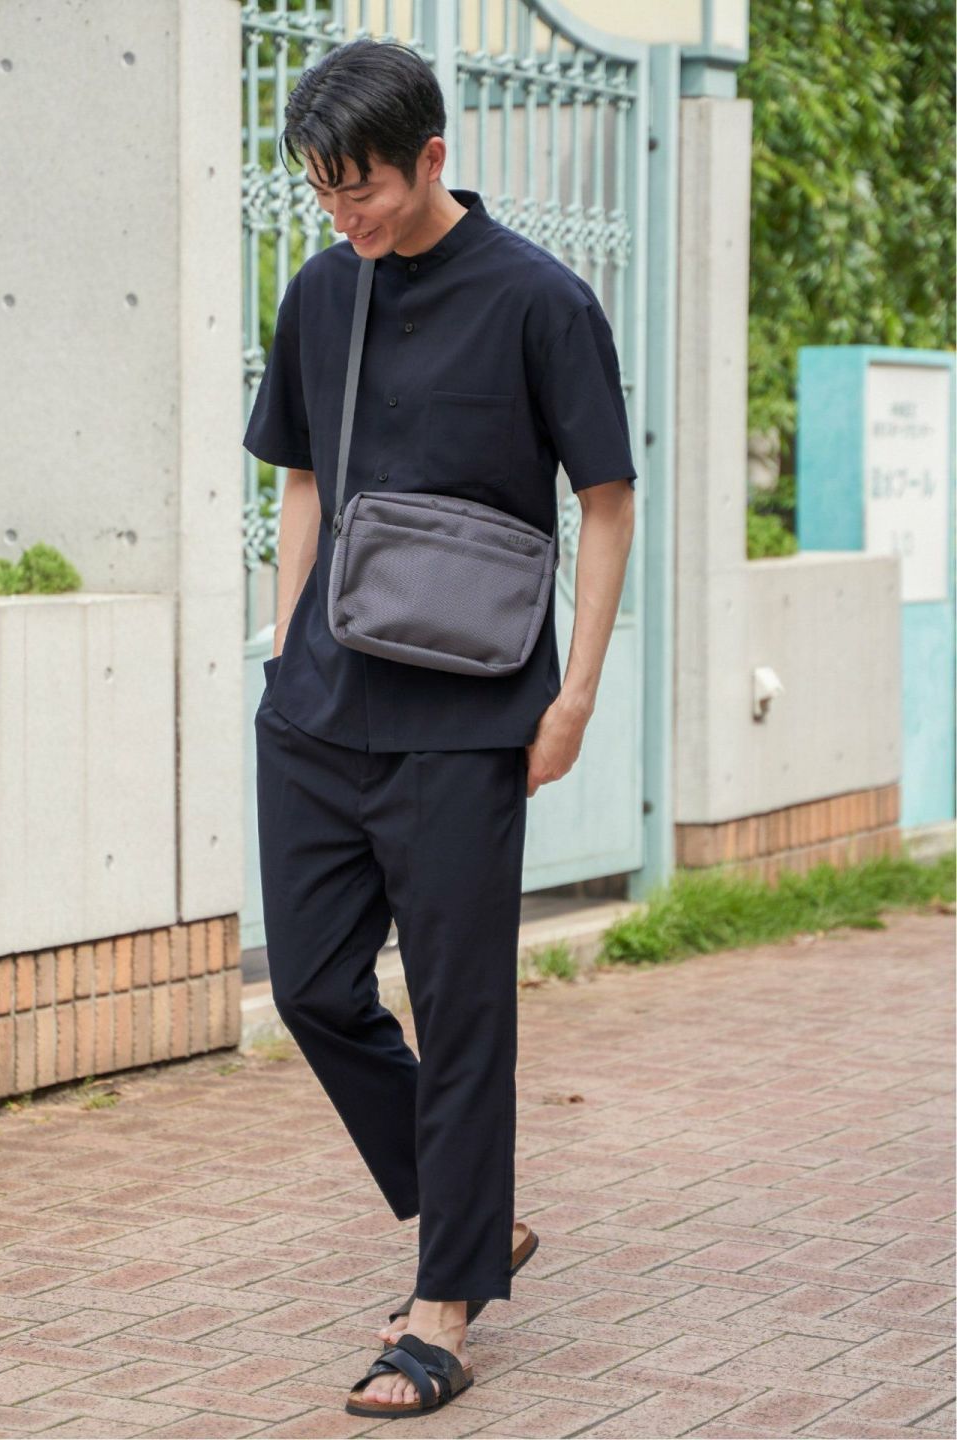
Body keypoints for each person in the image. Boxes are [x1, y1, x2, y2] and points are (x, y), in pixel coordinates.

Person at [243, 36, 637, 1418]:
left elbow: (604, 502)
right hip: (319, 706)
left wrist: (573, 694)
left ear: (432, 158)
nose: (343, 213)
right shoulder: (321, 292)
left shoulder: (541, 301)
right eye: (322, 189)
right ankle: (473, 1214)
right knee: (311, 988)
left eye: (361, 187)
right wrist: (284, 637)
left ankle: (441, 1311)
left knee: (462, 1010)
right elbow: (301, 474)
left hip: (469, 721)